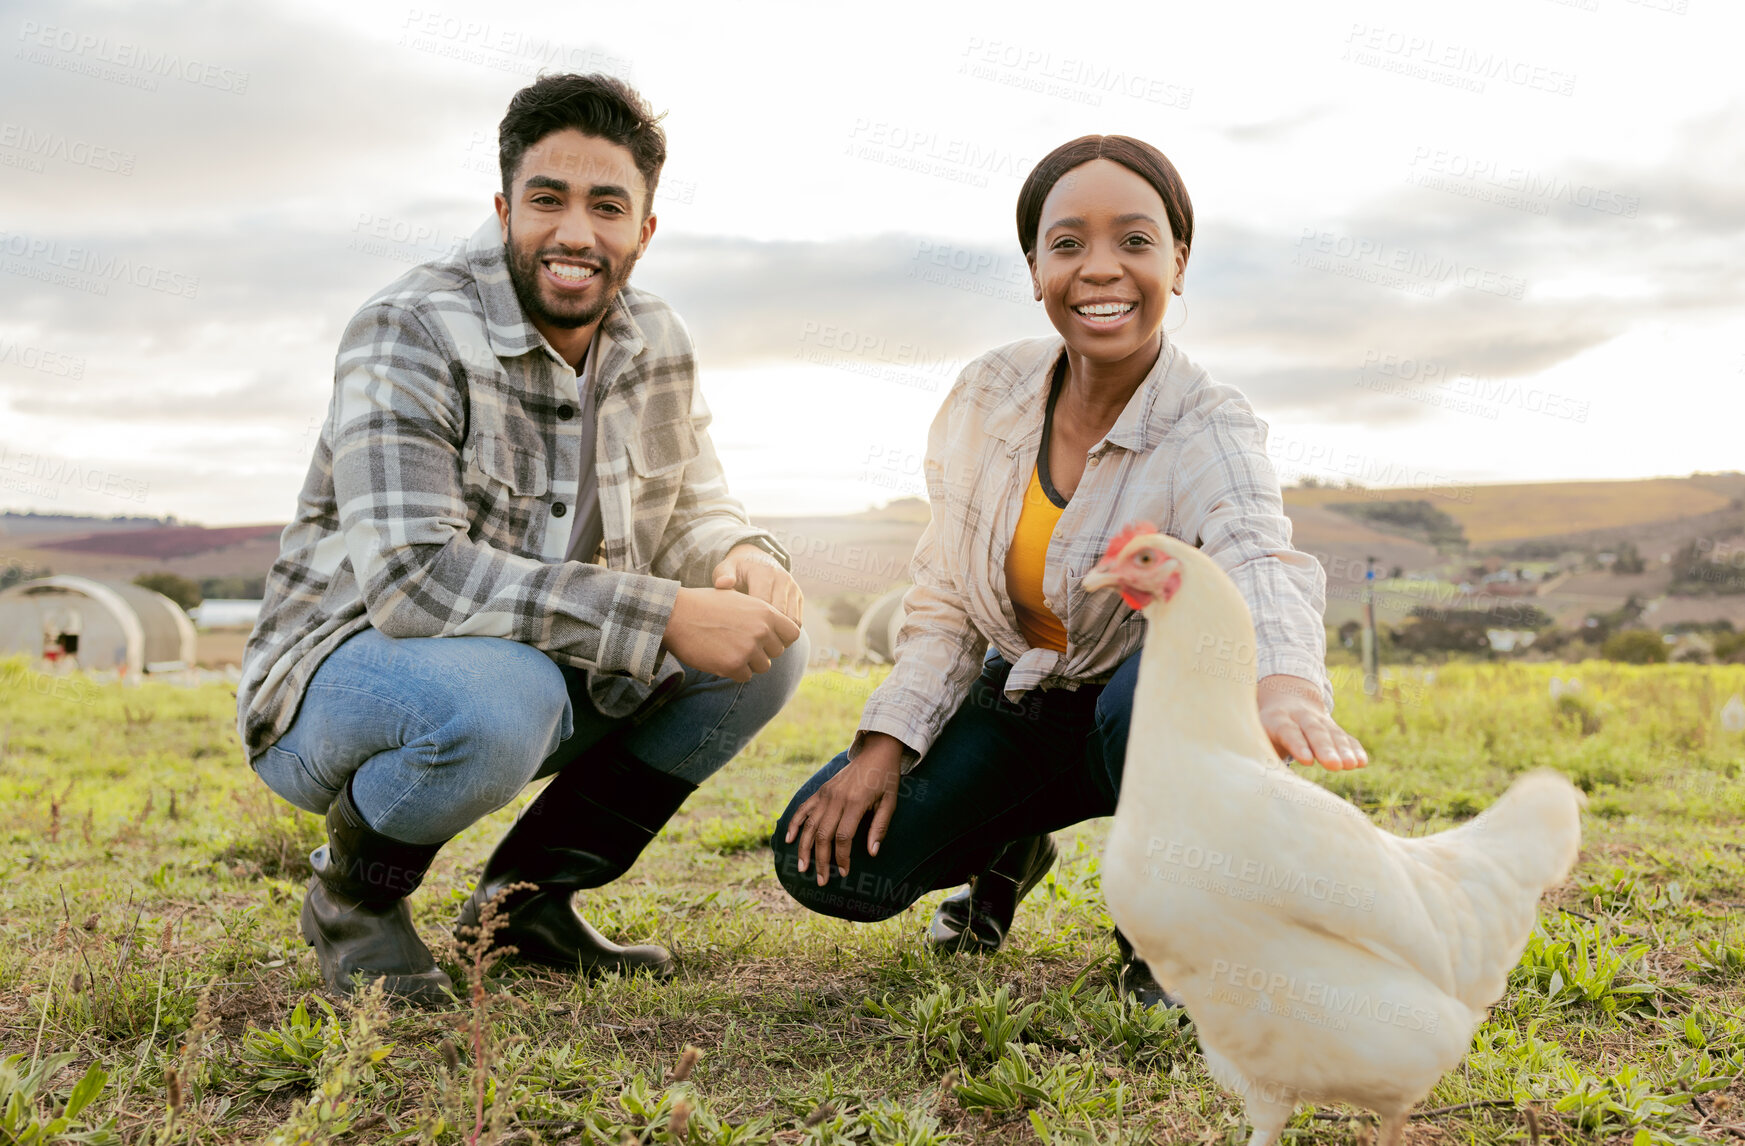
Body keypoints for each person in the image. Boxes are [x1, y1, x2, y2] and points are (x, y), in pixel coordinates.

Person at [238, 74, 807, 1006]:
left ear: (645, 229)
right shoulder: (409, 329)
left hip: (530, 668)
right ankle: (354, 902)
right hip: (340, 683)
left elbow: (694, 502)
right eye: (548, 200)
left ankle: (526, 905)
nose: (575, 233)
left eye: (606, 206)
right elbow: (416, 582)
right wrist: (664, 610)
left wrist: (738, 556)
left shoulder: (655, 335)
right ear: (504, 209)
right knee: (510, 692)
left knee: (768, 655)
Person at [769, 136, 1367, 1002]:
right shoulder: (987, 395)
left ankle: (1166, 933)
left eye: (1134, 241)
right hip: (1015, 697)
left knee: (1165, 679)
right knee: (824, 863)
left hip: (1143, 712)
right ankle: (1011, 844)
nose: (1100, 270)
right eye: (1067, 243)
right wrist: (883, 743)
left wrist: (1284, 685)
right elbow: (943, 592)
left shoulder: (1207, 424)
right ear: (1034, 267)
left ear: (1178, 262)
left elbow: (1257, 553)